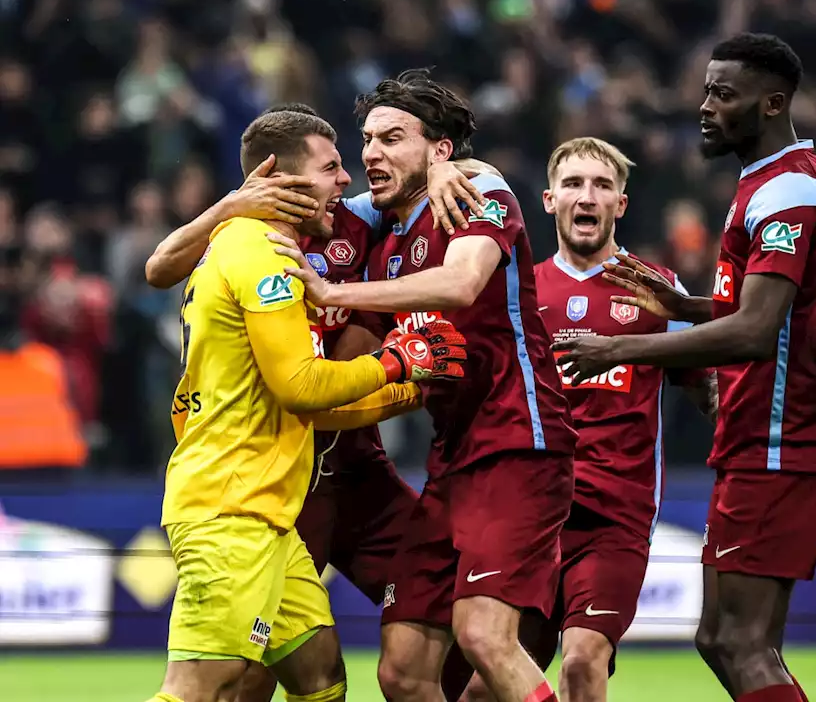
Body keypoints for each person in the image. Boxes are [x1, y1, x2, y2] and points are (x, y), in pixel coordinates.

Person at [550, 34, 816, 702]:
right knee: (728, 639)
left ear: (772, 103)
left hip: (779, 432)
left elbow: (757, 331)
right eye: (707, 90)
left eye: (724, 94)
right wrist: (689, 306)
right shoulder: (786, 178)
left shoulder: (787, 192)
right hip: (780, 430)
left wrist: (614, 348)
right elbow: (775, 310)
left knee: (738, 642)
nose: (705, 106)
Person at [143, 102, 483, 702]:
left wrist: (445, 171)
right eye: (333, 166)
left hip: (275, 500)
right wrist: (399, 367)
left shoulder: (278, 237)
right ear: (278, 179)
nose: (349, 177)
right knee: (208, 687)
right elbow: (301, 388)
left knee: (320, 673)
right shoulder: (259, 253)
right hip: (234, 500)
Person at [272, 69, 577, 702]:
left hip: (518, 441)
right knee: (404, 671)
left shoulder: (480, 187)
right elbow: (312, 200)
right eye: (366, 140)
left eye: (391, 139)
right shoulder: (384, 238)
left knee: (485, 637)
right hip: (452, 463)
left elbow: (462, 283)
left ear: (440, 150)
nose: (370, 155)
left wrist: (332, 292)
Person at [440, 137, 719, 702]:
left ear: (621, 203)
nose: (585, 196)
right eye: (572, 184)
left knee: (582, 663)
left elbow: (713, 396)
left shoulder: (657, 291)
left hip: (615, 514)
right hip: (534, 511)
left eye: (600, 186)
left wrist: (798, 461)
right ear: (548, 200)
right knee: (480, 690)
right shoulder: (521, 289)